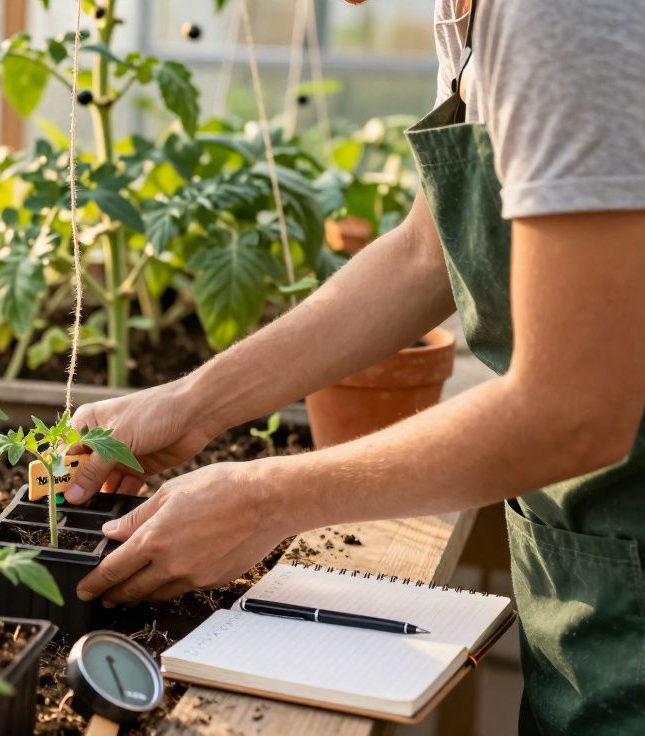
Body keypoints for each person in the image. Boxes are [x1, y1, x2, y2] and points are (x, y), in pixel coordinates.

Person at [65, 1, 645, 733]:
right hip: (599, 589)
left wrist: (263, 499)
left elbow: (574, 408)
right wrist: (195, 401)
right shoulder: (474, 14)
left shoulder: (561, 18)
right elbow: (423, 254)